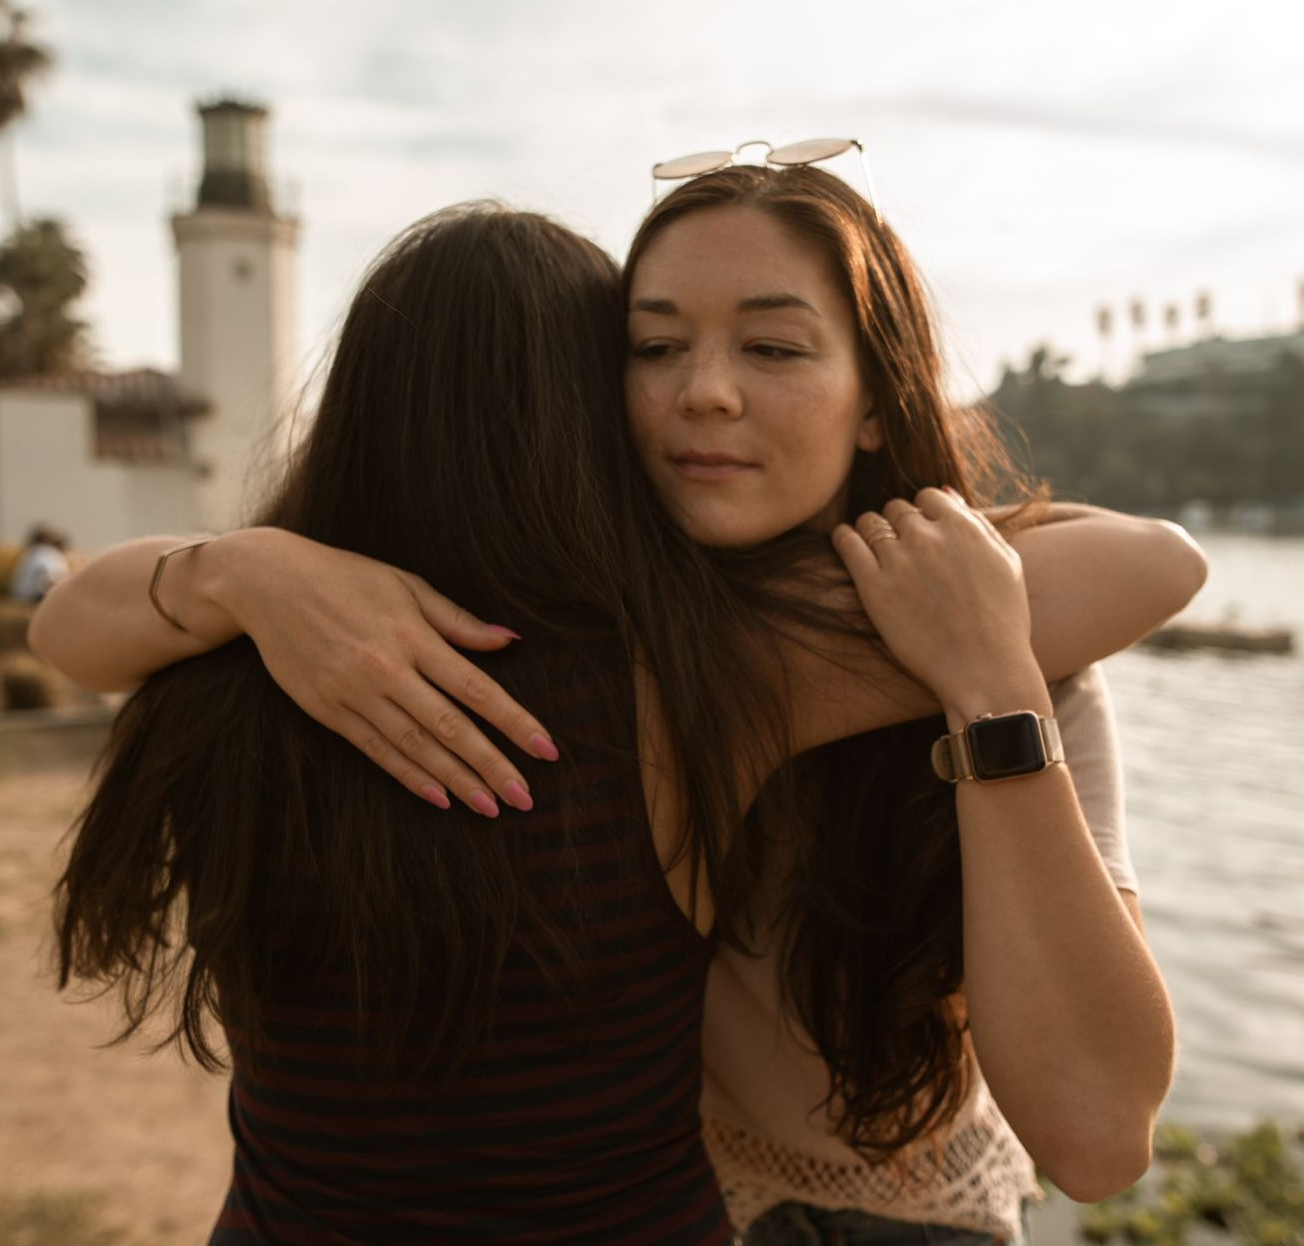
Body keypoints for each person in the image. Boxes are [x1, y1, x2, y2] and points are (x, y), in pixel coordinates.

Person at [35, 171, 1200, 1243]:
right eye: (649, 347)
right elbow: (1152, 564)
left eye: (774, 347)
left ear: (874, 400)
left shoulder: (227, 680)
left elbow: (67, 623)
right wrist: (248, 569)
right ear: (585, 411)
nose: (702, 392)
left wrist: (242, 568)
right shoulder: (696, 667)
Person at [9, 523, 70, 602]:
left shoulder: (30, 553)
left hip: (19, 594)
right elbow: (47, 579)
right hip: (32, 597)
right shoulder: (46, 553)